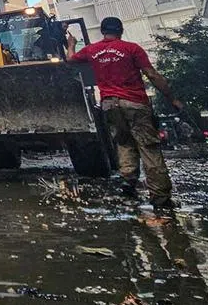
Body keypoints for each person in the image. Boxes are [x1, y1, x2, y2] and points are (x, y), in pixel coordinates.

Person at [66, 16, 183, 214]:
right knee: (148, 146)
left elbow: (70, 59)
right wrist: (172, 98)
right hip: (135, 102)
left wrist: (71, 44)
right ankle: (161, 197)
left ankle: (128, 182)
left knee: (123, 142)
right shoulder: (132, 48)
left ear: (103, 31)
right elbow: (152, 75)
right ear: (120, 30)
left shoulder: (92, 50)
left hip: (109, 104)